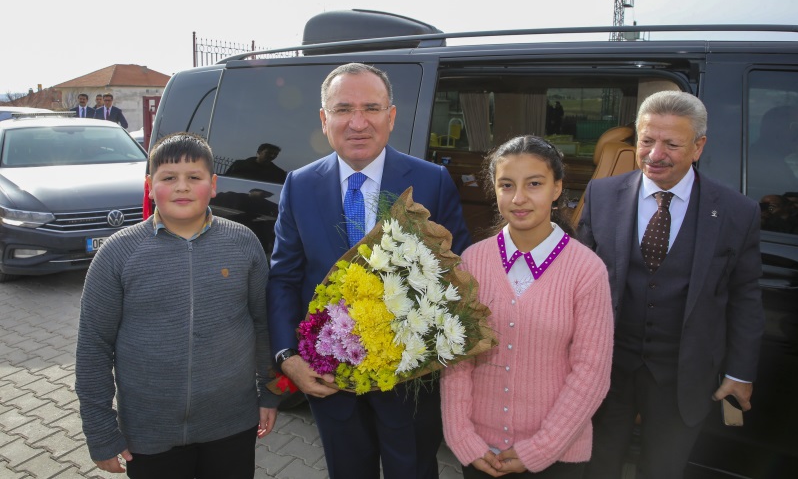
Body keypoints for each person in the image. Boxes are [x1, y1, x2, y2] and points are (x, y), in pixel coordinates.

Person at [267, 62, 471, 479]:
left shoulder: (432, 181)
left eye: (371, 108)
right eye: (343, 109)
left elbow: (458, 277)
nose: (358, 123)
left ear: (391, 117)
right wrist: (287, 357)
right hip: (330, 382)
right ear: (324, 120)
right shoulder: (300, 185)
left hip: (409, 385)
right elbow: (284, 277)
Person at [578, 91, 764, 479]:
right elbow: (576, 282)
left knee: (663, 469)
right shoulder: (602, 195)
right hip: (608, 369)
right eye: (647, 140)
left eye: (672, 144)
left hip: (683, 375)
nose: (654, 154)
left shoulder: (736, 212)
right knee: (595, 467)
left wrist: (740, 372)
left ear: (698, 147)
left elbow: (745, 297)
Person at [75, 132, 280, 478]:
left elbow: (262, 324)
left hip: (232, 425)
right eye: (168, 178)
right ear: (149, 186)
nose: (182, 187)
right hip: (149, 434)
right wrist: (100, 431)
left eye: (194, 178)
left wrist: (270, 393)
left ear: (213, 185)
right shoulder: (118, 253)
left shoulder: (243, 243)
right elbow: (94, 346)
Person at [441, 135, 614, 479]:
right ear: (494, 189)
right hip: (480, 453)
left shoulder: (587, 270)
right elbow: (457, 358)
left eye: (534, 184)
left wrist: (541, 448)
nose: (519, 198)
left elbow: (591, 373)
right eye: (507, 185)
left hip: (557, 457)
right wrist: (462, 438)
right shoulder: (472, 261)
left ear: (556, 188)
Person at [748, 105, 798, 201]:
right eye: (795, 127)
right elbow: (782, 209)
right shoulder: (764, 164)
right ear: (775, 130)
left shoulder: (772, 159)